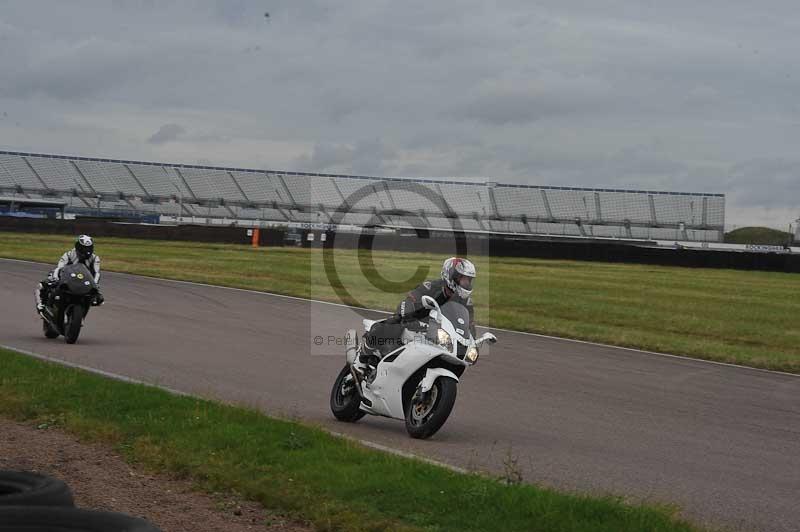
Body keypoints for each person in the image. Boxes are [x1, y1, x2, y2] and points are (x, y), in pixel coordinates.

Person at [355, 257, 477, 373]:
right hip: (416, 323)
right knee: (393, 324)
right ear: (451, 275)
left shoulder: (466, 302)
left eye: (468, 280)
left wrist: (472, 342)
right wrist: (409, 318)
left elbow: (469, 325)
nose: (466, 283)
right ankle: (363, 355)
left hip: (437, 334)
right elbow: (409, 301)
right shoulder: (431, 287)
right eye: (463, 278)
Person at [35, 235, 103, 314]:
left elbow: (97, 273)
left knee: (98, 298)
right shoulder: (69, 254)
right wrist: (56, 278)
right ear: (78, 247)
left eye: (88, 248)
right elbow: (59, 268)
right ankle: (41, 304)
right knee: (44, 285)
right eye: (83, 248)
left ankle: (81, 316)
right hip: (67, 280)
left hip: (84, 282)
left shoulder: (95, 258)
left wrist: (95, 285)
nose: (86, 251)